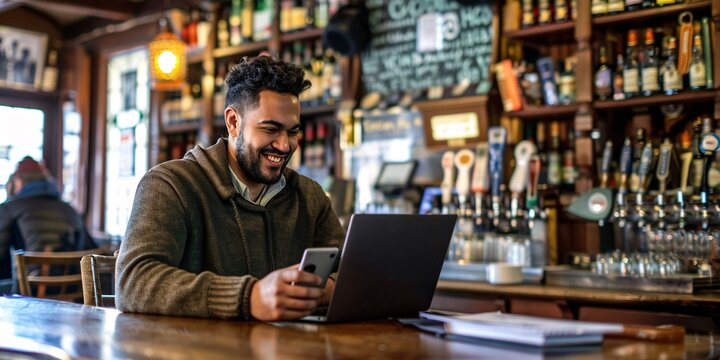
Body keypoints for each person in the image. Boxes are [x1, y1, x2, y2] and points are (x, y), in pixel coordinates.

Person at [116, 56, 345, 321]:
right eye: (271, 129)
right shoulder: (171, 184)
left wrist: (324, 291)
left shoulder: (309, 196)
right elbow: (133, 282)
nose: (284, 146)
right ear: (233, 122)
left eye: (292, 132)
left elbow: (355, 273)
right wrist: (249, 298)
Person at [0, 157, 94, 282]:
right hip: (73, 291)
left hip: (29, 292)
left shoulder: (10, 208)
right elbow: (89, 251)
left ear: (18, 182)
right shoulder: (70, 209)